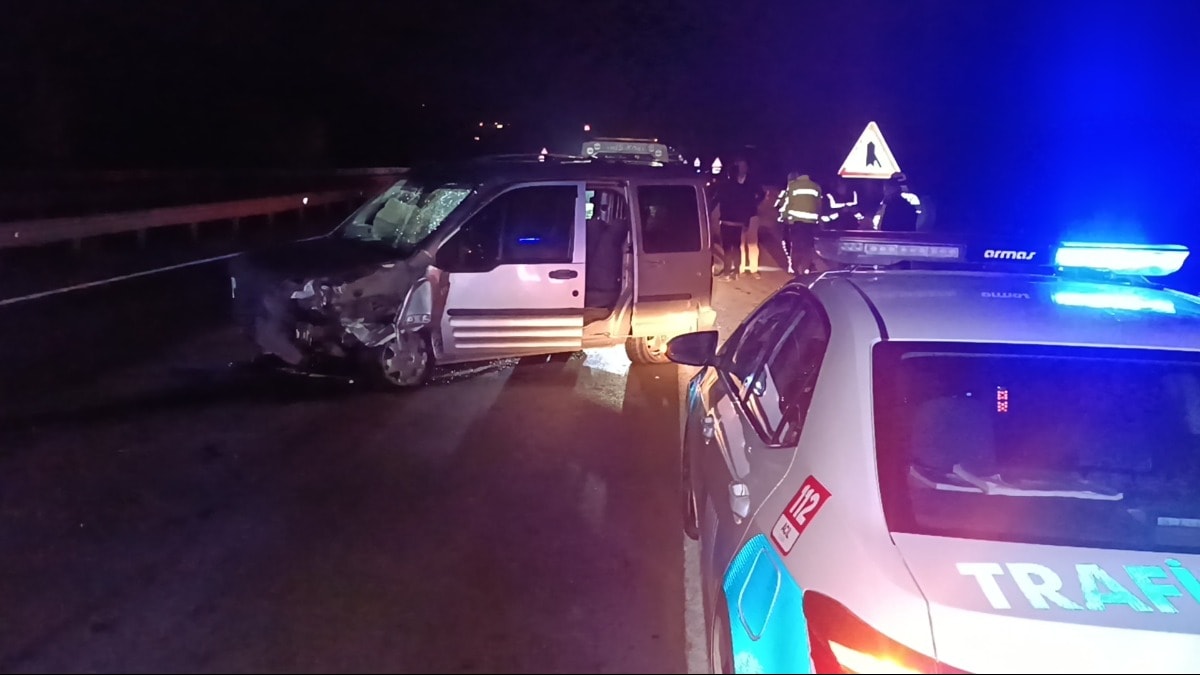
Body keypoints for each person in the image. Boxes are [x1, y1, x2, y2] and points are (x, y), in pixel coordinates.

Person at [713, 158, 761, 280]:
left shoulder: (729, 185)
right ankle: (737, 271)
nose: (741, 169)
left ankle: (731, 271)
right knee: (737, 246)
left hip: (734, 219)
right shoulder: (740, 187)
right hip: (739, 220)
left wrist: (753, 205)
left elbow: (716, 199)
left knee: (732, 247)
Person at [775, 171, 822, 275]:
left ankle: (795, 268)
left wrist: (784, 217)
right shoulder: (816, 187)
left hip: (796, 222)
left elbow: (788, 204)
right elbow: (818, 205)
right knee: (808, 247)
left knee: (796, 246)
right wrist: (818, 219)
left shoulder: (793, 186)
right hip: (811, 222)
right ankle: (806, 269)